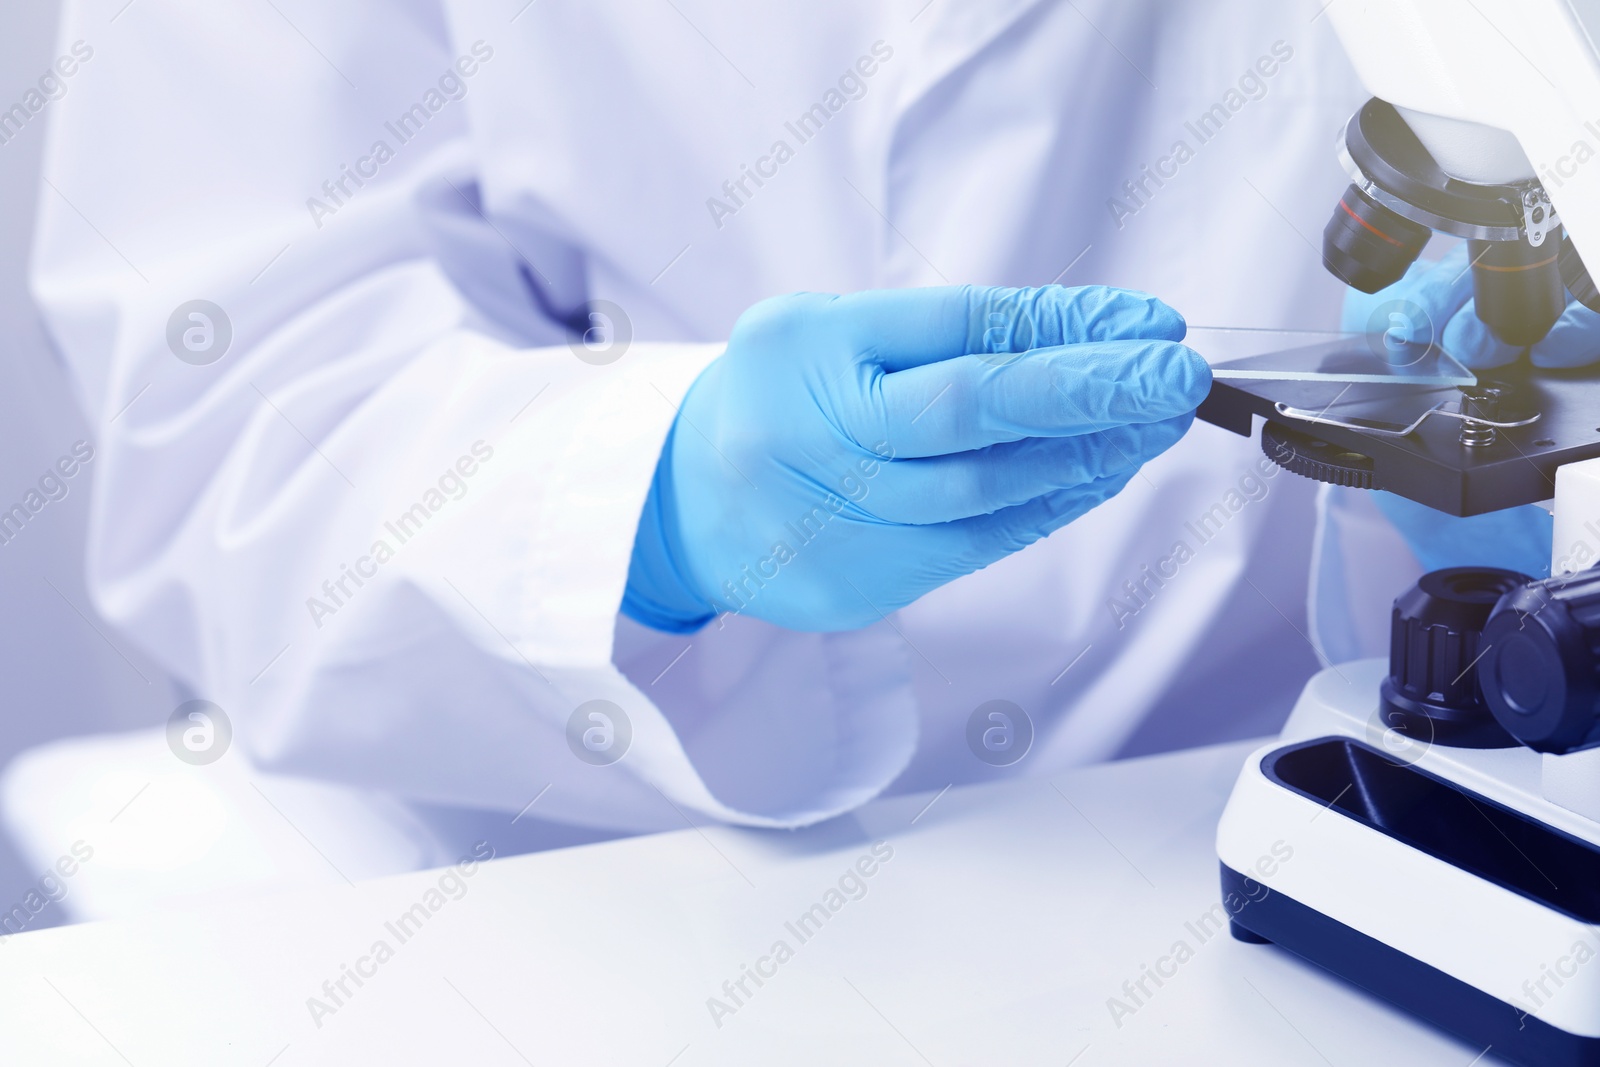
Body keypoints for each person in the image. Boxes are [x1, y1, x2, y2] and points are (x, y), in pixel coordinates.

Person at [28, 0, 1592, 859]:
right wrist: (652, 510)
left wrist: (1516, 471)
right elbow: (232, 404)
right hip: (548, 842)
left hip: (1232, 810)